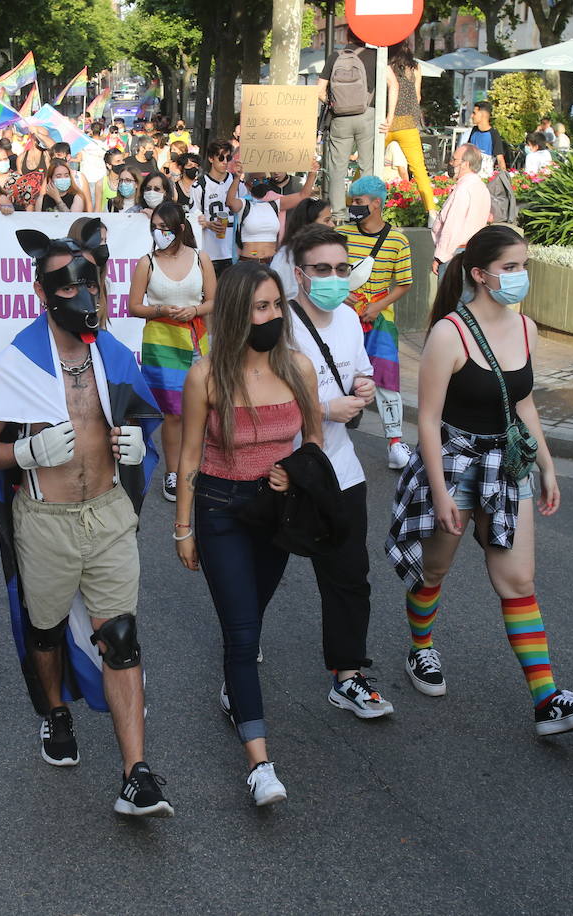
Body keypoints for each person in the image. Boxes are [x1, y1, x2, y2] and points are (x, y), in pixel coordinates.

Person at [0, 226, 173, 818]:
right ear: (43, 291)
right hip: (46, 519)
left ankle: (136, 773)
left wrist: (137, 444)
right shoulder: (16, 362)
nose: (84, 291)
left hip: (107, 514)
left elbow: (143, 418)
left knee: (122, 637)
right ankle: (55, 711)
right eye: (69, 282)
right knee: (46, 630)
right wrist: (27, 454)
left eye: (90, 278)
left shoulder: (113, 353)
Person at [386, 225, 573, 736]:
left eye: (523, 265)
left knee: (518, 581)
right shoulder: (450, 333)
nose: (520, 276)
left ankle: (547, 699)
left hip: (507, 469)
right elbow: (427, 419)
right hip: (457, 463)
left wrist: (547, 465)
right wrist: (440, 492)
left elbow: (523, 402)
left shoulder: (526, 329)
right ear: (481, 274)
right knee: (433, 571)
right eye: (510, 267)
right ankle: (421, 648)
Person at [173, 260, 323, 805]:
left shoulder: (299, 369)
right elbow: (190, 453)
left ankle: (236, 689)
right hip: (220, 510)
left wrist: (297, 473)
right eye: (262, 307)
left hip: (276, 516)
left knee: (252, 622)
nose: (274, 316)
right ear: (239, 312)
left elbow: (313, 445)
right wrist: (182, 528)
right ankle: (260, 764)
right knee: (240, 636)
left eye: (278, 305)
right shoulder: (206, 376)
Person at [284, 224, 394, 719]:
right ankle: (238, 670)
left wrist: (364, 387)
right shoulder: (277, 323)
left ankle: (348, 676)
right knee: (262, 579)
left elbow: (359, 372)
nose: (334, 278)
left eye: (341, 269)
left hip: (341, 469)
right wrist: (323, 410)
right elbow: (252, 399)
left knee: (350, 576)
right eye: (322, 269)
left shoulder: (349, 318)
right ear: (299, 274)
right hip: (283, 471)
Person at [128, 201, 217, 501]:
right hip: (161, 342)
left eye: (165, 228)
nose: (159, 233)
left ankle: (197, 467)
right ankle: (173, 473)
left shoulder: (200, 258)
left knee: (200, 409)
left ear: (180, 229)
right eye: (155, 228)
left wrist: (194, 309)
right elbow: (134, 306)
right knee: (173, 414)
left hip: (195, 340)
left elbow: (214, 301)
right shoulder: (147, 262)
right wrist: (159, 309)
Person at [339, 175, 412, 469]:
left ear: (376, 203)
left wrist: (378, 306)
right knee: (340, 375)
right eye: (352, 202)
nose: (353, 207)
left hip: (381, 322)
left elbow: (405, 282)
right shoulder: (341, 234)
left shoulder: (398, 240)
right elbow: (331, 272)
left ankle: (395, 443)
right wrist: (341, 296)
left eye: (358, 202)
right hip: (344, 318)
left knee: (386, 380)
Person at [319, 30, 393, 221]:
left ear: (347, 38)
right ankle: (364, 211)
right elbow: (393, 84)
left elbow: (319, 91)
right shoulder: (377, 57)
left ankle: (338, 214)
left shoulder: (335, 57)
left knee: (337, 168)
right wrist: (389, 117)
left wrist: (335, 103)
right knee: (366, 166)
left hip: (340, 119)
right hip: (368, 115)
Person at [380, 42, 437, 225]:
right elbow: (418, 97)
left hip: (386, 123)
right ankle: (431, 211)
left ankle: (351, 204)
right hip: (409, 124)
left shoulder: (384, 65)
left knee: (367, 161)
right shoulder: (416, 67)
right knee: (419, 169)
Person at [236, 167, 320, 266]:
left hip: (272, 261)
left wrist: (312, 174)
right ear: (247, 184)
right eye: (255, 180)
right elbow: (229, 201)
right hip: (248, 262)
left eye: (264, 179)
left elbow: (303, 195)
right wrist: (236, 179)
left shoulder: (275, 201)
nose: (261, 183)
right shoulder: (242, 203)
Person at [431, 144, 490, 273]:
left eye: (454, 159)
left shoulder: (463, 189)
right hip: (473, 252)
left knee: (452, 293)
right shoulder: (481, 187)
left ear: (465, 164)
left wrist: (440, 257)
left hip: (455, 256)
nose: (451, 163)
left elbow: (452, 227)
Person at [188, 141, 243, 275]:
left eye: (228, 158)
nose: (225, 162)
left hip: (234, 251)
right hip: (210, 253)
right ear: (211, 158)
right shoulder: (199, 186)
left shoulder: (238, 184)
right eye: (220, 157)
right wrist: (207, 224)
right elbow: (193, 218)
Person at [270, 199, 334, 301]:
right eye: (327, 220)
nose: (332, 225)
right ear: (308, 224)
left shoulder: (324, 252)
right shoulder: (286, 256)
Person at [464, 101, 507, 176]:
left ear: (482, 115)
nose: (471, 116)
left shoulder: (494, 134)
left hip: (486, 178)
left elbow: (500, 160)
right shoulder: (474, 130)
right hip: (470, 176)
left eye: (474, 113)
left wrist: (504, 179)